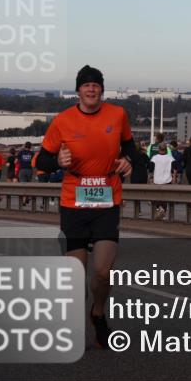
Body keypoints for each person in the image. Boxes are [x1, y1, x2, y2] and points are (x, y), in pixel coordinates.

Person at [34, 65, 136, 350]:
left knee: (103, 272)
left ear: (101, 89)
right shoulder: (62, 121)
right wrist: (58, 162)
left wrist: (129, 161)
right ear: (78, 90)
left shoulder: (118, 115)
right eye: (86, 85)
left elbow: (131, 149)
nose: (91, 89)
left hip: (107, 198)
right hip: (73, 202)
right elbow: (42, 161)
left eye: (96, 85)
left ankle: (98, 313)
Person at [149, 143, 175, 219]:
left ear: (159, 149)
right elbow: (175, 168)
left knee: (156, 197)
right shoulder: (170, 158)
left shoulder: (154, 158)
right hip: (167, 180)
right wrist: (174, 178)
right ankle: (163, 212)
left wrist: (151, 179)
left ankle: (159, 209)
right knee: (165, 198)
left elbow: (150, 169)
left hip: (157, 180)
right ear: (166, 149)